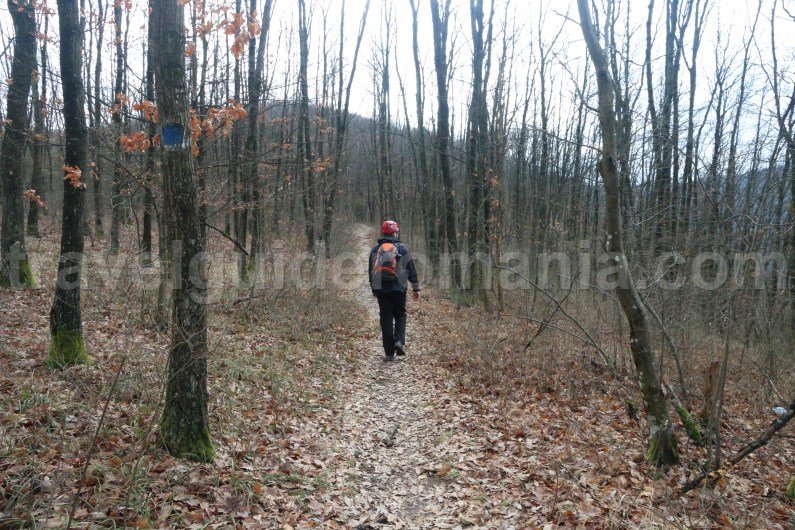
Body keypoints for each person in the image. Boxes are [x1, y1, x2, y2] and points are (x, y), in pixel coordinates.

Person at [368, 220, 420, 361]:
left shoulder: (375, 249)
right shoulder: (403, 248)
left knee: (385, 318)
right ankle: (399, 341)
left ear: (383, 232)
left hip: (381, 289)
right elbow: (411, 268)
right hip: (399, 288)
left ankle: (389, 353)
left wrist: (374, 289)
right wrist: (415, 288)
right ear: (395, 232)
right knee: (400, 314)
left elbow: (371, 272)